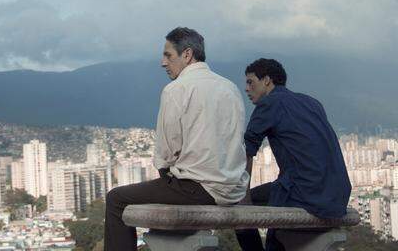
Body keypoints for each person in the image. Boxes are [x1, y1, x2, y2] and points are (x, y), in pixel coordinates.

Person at [104, 27, 249, 250]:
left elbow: (166, 152)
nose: (163, 62)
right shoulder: (230, 88)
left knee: (116, 199)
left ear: (187, 54)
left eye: (168, 55)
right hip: (233, 189)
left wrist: (167, 173)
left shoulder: (176, 89)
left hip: (198, 190)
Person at [236, 58, 351, 251]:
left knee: (239, 206)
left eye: (250, 82)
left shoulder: (269, 104)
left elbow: (247, 151)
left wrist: (243, 198)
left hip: (304, 192)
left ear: (266, 81)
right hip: (338, 193)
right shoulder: (312, 103)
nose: (247, 89)